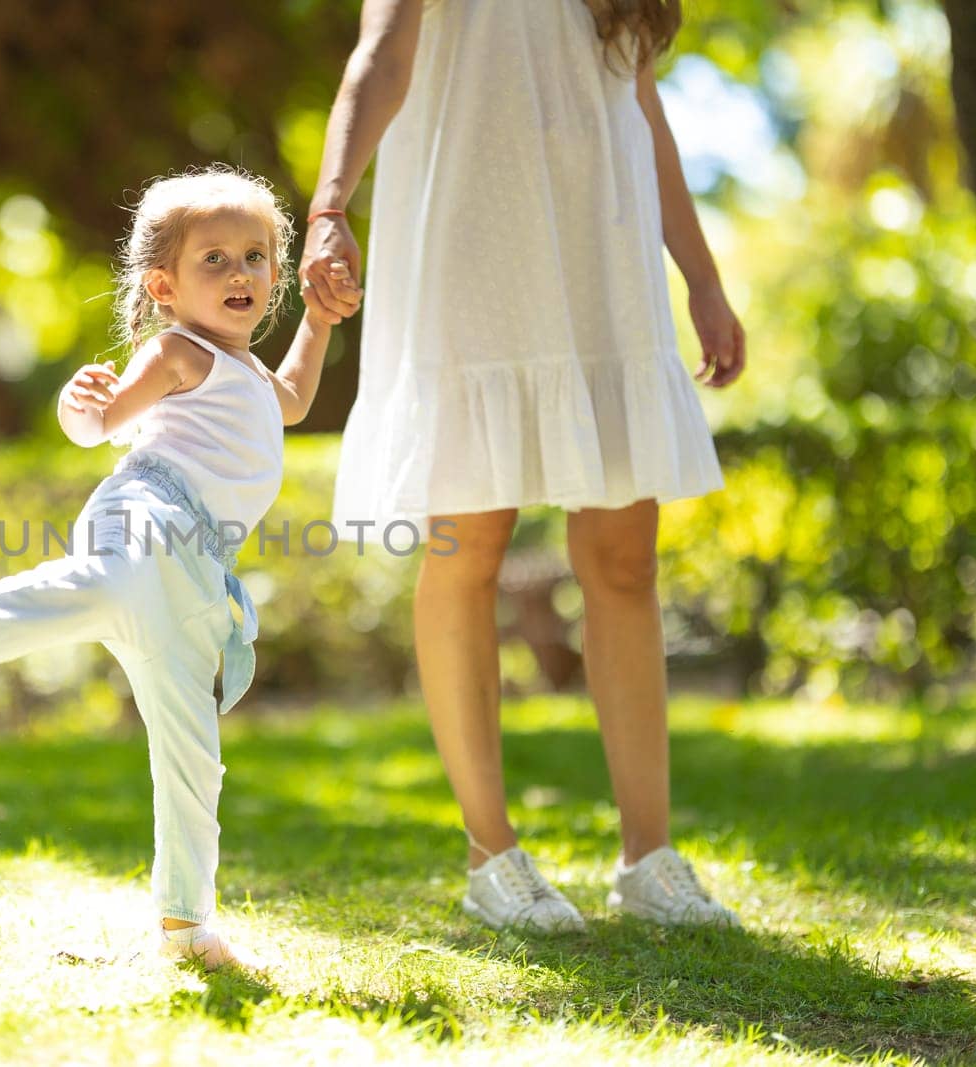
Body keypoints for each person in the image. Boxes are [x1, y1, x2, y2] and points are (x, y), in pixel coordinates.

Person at [300, 0, 748, 930]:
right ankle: (490, 854)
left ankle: (648, 858)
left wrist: (700, 276)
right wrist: (330, 206)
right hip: (473, 240)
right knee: (469, 546)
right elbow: (380, 54)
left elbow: (640, 100)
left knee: (626, 555)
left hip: (601, 248)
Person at [0, 167, 340, 968]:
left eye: (255, 256)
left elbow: (293, 399)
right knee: (100, 585)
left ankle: (187, 925)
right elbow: (98, 425)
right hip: (148, 515)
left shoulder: (250, 373)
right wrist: (78, 405)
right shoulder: (177, 350)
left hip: (194, 572)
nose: (240, 272)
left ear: (275, 278)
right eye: (212, 259)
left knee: (193, 750)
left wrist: (317, 321)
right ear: (165, 286)